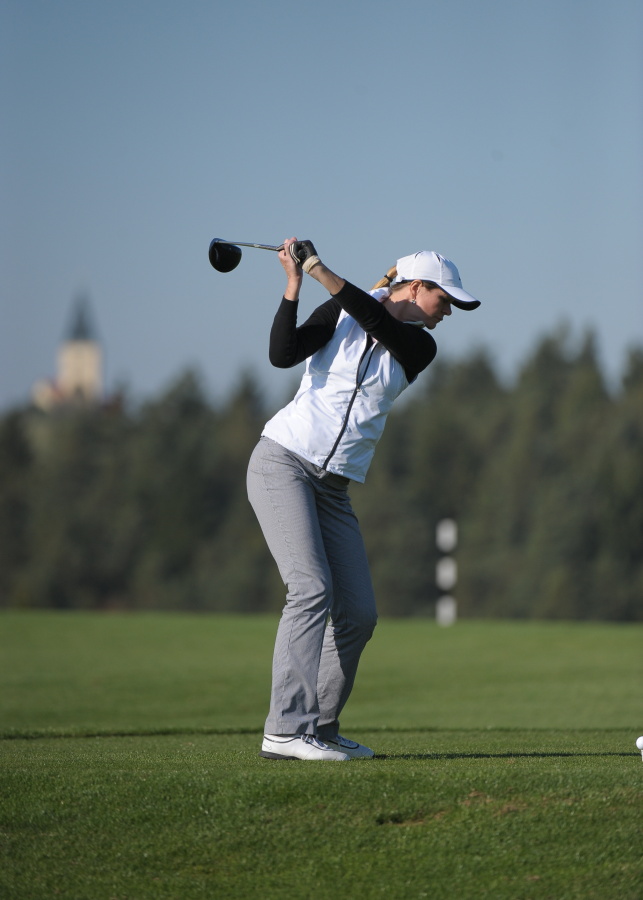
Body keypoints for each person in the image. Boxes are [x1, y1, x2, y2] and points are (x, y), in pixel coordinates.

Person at [247, 237, 482, 761]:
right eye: (444, 300)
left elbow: (378, 321)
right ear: (415, 287)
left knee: (358, 613)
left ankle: (320, 729)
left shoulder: (419, 346)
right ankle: (285, 730)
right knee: (310, 589)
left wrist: (322, 269)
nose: (447, 312)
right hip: (283, 463)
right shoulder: (340, 312)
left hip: (333, 489)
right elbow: (282, 355)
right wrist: (296, 284)